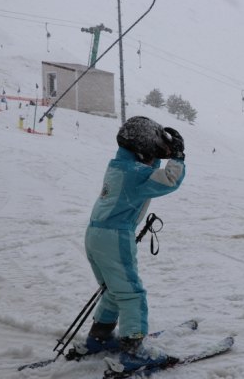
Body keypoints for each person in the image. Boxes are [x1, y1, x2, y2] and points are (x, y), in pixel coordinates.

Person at [76, 116, 186, 371]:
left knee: (114, 290)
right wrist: (177, 156)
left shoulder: (120, 167)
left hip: (96, 235)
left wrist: (161, 150)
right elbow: (169, 179)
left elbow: (147, 168)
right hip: (115, 237)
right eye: (153, 150)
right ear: (142, 151)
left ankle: (99, 337)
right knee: (131, 293)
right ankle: (134, 349)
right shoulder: (137, 175)